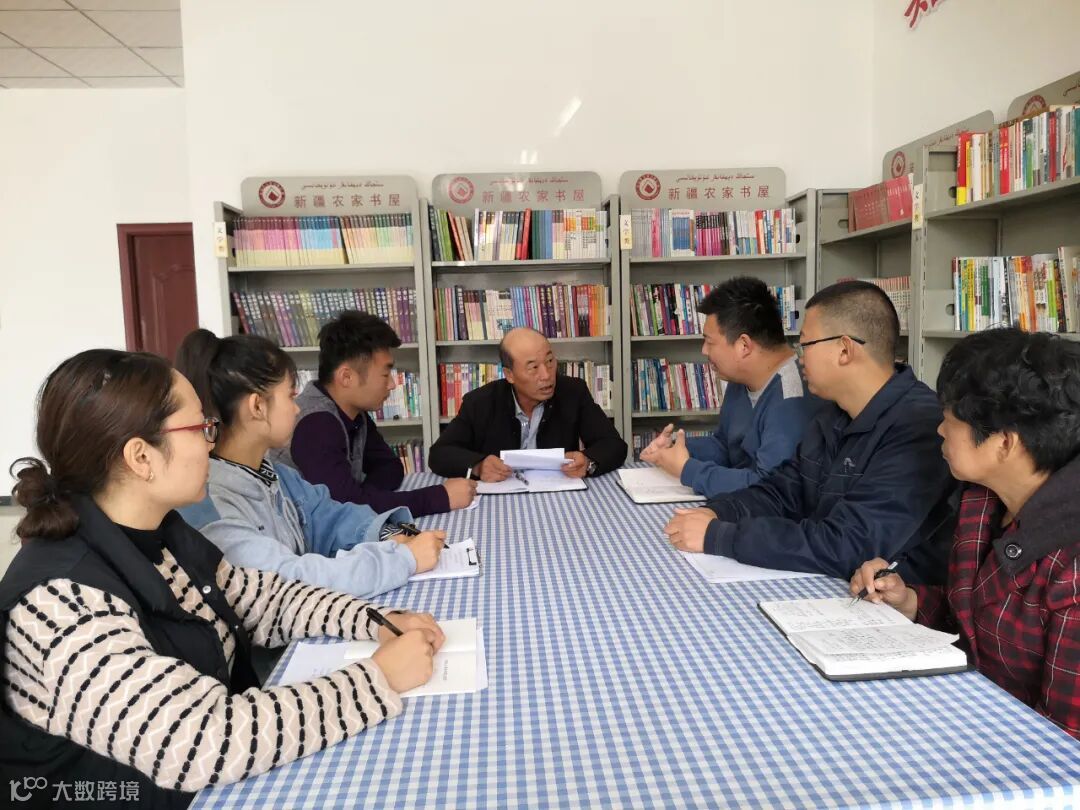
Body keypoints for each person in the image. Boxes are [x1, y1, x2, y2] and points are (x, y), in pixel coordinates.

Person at [0, 349, 443, 808]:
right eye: (200, 429)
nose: (211, 445)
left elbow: (266, 599)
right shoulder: (60, 601)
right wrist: (377, 678)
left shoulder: (162, 535)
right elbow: (198, 740)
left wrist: (374, 620)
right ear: (141, 456)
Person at [850, 329, 1080, 739]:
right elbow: (973, 614)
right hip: (962, 715)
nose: (939, 430)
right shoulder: (984, 500)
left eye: (950, 419)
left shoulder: (1071, 568)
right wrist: (909, 601)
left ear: (1004, 443)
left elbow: (1065, 739)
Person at [665, 280, 956, 583]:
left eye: (805, 345)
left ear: (844, 349)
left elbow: (848, 545)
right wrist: (720, 512)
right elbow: (782, 491)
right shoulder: (834, 414)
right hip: (830, 584)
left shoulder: (917, 426)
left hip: (891, 602)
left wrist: (721, 536)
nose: (799, 357)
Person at [175, 329, 445, 598]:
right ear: (257, 406)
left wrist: (387, 535)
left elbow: (330, 517)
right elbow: (287, 581)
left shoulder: (276, 474)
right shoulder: (211, 505)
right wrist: (401, 559)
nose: (297, 408)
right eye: (290, 397)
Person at [271, 311, 475, 516]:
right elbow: (345, 509)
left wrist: (363, 497)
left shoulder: (354, 414)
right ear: (346, 377)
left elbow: (390, 467)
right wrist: (440, 497)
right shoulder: (316, 424)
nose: (392, 384)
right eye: (385, 374)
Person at [640, 276, 818, 497]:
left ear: (744, 345)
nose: (704, 351)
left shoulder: (792, 401)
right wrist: (677, 448)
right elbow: (726, 447)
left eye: (709, 342)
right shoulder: (740, 379)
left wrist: (688, 470)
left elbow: (770, 489)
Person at [428, 327, 628, 481]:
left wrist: (588, 462)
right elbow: (439, 454)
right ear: (509, 374)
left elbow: (614, 445)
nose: (546, 375)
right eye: (533, 367)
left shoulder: (573, 392)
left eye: (550, 361)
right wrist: (479, 466)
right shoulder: (480, 402)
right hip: (499, 504)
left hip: (559, 497)